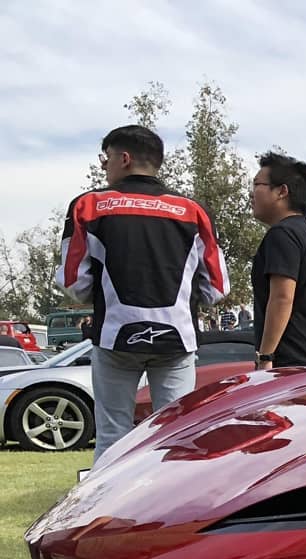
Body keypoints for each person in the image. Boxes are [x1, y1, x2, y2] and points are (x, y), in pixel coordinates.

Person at [55, 124, 229, 464]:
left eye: (105, 159)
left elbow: (73, 281)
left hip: (115, 337)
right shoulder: (194, 211)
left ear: (124, 158)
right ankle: (174, 511)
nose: (104, 167)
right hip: (176, 338)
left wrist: (104, 296)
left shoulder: (89, 206)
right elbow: (218, 287)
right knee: (177, 438)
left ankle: (108, 514)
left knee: (112, 436)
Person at [250, 150, 306, 369]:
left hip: (289, 365)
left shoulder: (282, 234)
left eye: (257, 184)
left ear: (281, 192)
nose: (251, 193)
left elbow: (282, 297)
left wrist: (266, 357)